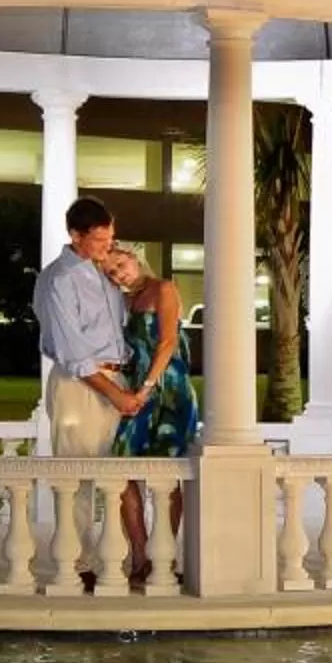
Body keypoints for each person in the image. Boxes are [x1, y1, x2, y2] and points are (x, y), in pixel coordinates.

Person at [32, 197, 143, 589]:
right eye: (98, 240)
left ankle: (115, 559)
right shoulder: (58, 280)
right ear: (75, 235)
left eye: (110, 238)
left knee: (115, 476)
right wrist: (114, 394)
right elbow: (71, 350)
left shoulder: (104, 273)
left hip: (117, 381)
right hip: (81, 386)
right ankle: (77, 566)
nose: (106, 247)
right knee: (76, 478)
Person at [107, 245, 200, 584]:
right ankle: (141, 553)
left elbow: (168, 342)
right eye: (112, 273)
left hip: (170, 390)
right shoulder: (124, 303)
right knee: (121, 469)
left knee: (166, 477)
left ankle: (163, 556)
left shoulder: (164, 288)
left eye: (121, 264)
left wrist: (147, 387)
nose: (119, 273)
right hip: (137, 392)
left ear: (134, 255)